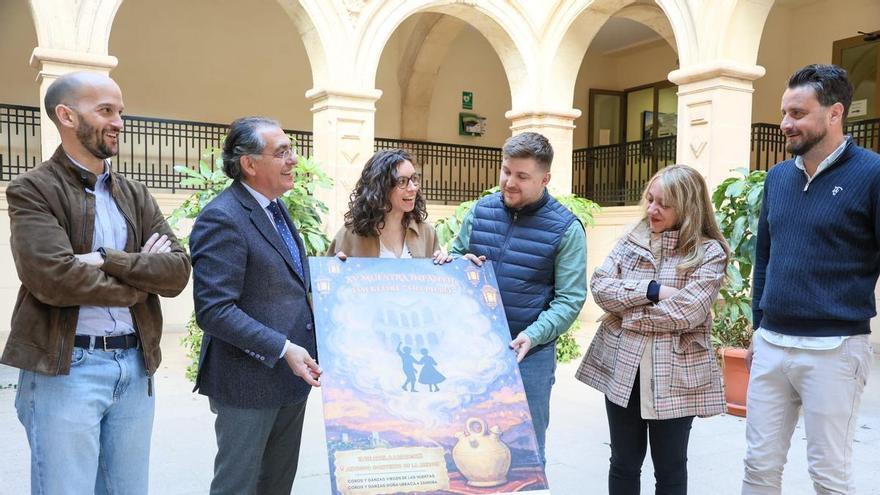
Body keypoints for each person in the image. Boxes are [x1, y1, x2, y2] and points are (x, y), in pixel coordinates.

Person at [2, 71, 191, 494]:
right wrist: (140, 279)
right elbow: (52, 278)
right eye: (106, 110)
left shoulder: (135, 194)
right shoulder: (32, 190)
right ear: (66, 115)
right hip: (67, 369)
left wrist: (108, 259)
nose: (119, 122)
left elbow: (177, 271)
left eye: (120, 111)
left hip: (135, 366)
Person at [742, 64, 880, 495]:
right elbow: (765, 256)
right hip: (772, 344)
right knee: (758, 468)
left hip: (835, 350)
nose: (786, 124)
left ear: (835, 113)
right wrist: (757, 326)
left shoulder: (872, 174)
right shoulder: (778, 177)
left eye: (798, 114)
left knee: (829, 475)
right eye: (785, 113)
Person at [576, 164, 729, 495]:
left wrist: (626, 316)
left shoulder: (709, 252)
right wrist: (652, 291)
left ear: (688, 206)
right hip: (625, 369)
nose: (651, 210)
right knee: (623, 463)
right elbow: (601, 287)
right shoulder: (633, 238)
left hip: (675, 372)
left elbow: (688, 311)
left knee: (671, 469)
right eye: (650, 199)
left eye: (663, 204)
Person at [189, 116, 322, 495]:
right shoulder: (223, 217)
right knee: (238, 486)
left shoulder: (275, 207)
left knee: (276, 486)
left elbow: (288, 281)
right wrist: (282, 348)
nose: (294, 159)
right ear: (249, 164)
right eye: (281, 152)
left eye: (291, 150)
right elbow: (214, 311)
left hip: (290, 381)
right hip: (247, 384)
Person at [450, 131, 587, 464]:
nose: (509, 182)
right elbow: (453, 257)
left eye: (522, 176)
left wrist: (532, 336)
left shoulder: (567, 229)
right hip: (473, 351)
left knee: (525, 456)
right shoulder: (480, 211)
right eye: (506, 171)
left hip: (530, 358)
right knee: (465, 449)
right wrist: (457, 264)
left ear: (545, 179)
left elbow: (569, 300)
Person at [326, 148, 449, 262]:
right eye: (402, 181)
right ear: (381, 187)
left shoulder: (427, 233)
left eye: (414, 179)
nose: (413, 188)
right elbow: (326, 277)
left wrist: (443, 263)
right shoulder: (351, 233)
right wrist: (336, 268)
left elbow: (437, 280)